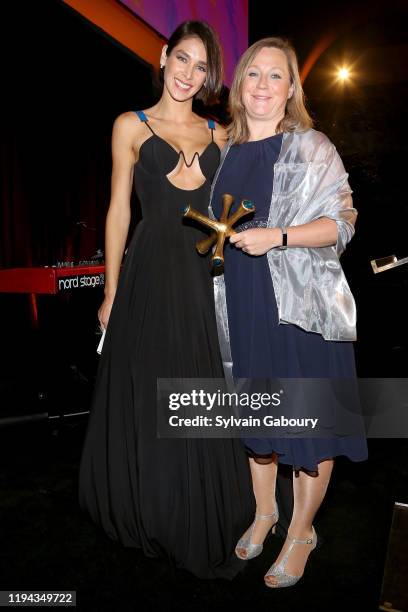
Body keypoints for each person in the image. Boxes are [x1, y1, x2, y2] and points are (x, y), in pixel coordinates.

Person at [78, 21, 255, 580]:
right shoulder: (130, 125)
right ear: (163, 56)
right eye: (182, 60)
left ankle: (195, 505)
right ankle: (149, 505)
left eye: (201, 68)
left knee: (197, 387)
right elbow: (118, 212)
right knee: (149, 389)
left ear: (209, 78)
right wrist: (111, 290)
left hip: (203, 279)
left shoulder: (220, 135)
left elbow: (241, 206)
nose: (188, 74)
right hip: (148, 275)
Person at [210, 37, 368, 588]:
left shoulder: (313, 146)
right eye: (254, 73)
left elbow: (342, 224)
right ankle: (265, 513)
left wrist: (278, 236)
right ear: (240, 85)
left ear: (291, 89)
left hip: (302, 309)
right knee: (258, 420)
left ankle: (301, 530)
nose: (262, 85)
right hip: (243, 306)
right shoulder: (222, 151)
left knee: (308, 429)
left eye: (276, 76)